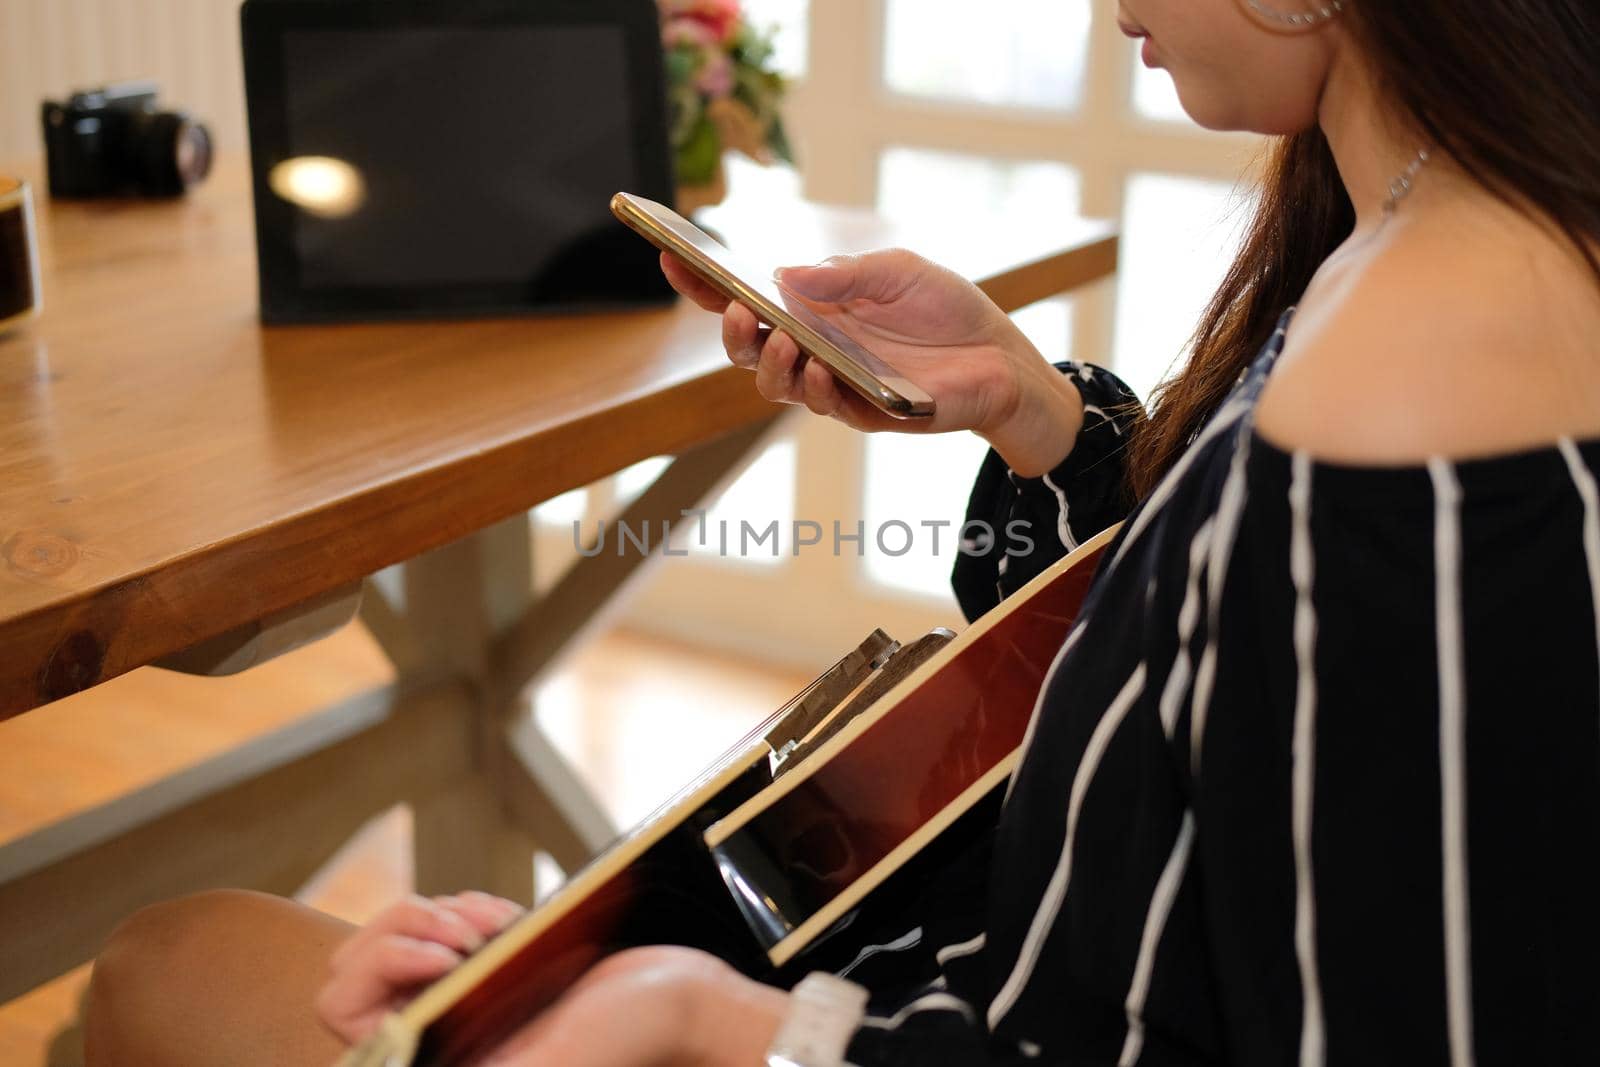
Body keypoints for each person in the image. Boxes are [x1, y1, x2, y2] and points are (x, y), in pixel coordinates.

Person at [83, 0, 1600, 1063]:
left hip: (901, 1013)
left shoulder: (1437, 384)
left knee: (170, 970)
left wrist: (698, 1021)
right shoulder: (1423, 220)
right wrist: (1027, 405)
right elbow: (1221, 641)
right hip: (895, 952)